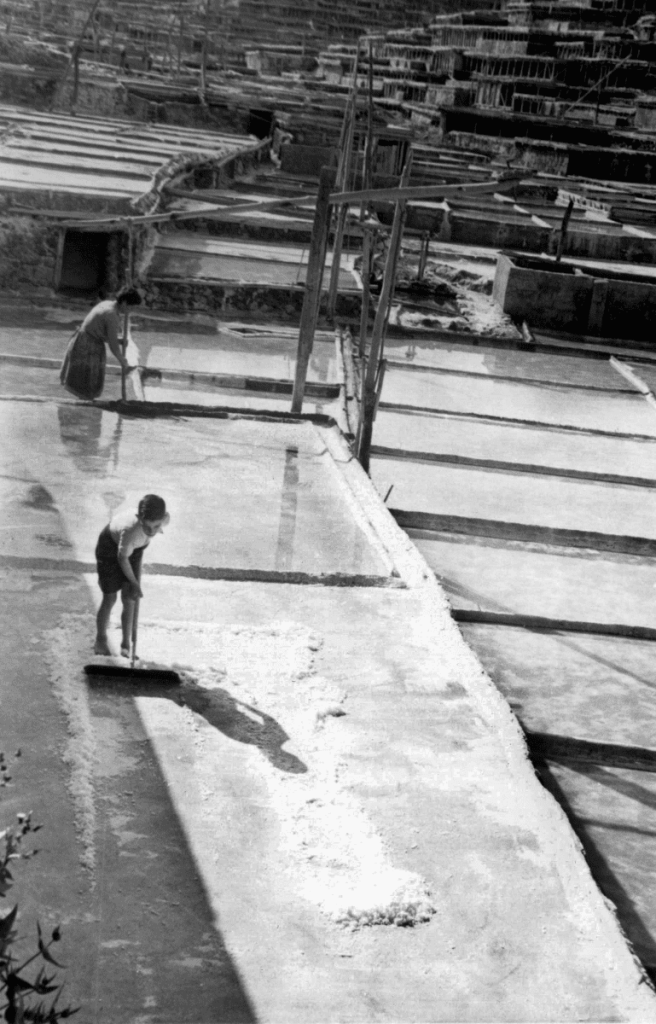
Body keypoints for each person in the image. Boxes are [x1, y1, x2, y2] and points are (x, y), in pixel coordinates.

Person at [94, 494, 170, 657]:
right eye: (147, 527)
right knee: (110, 597)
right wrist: (134, 582)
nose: (151, 532)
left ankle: (126, 646)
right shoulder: (131, 531)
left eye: (156, 527)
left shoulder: (163, 518)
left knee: (130, 598)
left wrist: (133, 586)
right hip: (109, 548)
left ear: (162, 519)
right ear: (139, 518)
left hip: (134, 550)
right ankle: (100, 640)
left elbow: (133, 551)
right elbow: (122, 559)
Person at [60, 287, 142, 401]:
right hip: (87, 345)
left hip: (85, 340)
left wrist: (119, 340)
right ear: (124, 303)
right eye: (131, 307)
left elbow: (103, 332)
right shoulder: (111, 315)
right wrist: (121, 359)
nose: (131, 311)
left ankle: (85, 403)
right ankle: (84, 407)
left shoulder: (108, 304)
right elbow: (112, 344)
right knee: (86, 381)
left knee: (87, 382)